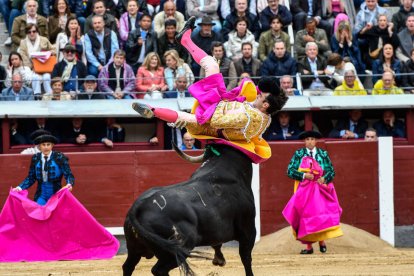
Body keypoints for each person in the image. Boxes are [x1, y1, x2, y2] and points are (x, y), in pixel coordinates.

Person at [133, 16, 288, 163]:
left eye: (261, 96)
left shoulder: (247, 117)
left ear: (266, 105)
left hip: (211, 116)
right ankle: (184, 40)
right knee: (210, 69)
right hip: (220, 109)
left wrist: (221, 101)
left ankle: (153, 110)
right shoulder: (264, 119)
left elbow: (216, 120)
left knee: (189, 116)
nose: (258, 95)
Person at [283, 130, 343, 254]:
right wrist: (304, 175)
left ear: (316, 141)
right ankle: (309, 247)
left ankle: (321, 241)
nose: (310, 141)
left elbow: (331, 171)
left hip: (320, 188)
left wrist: (324, 178)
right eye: (307, 139)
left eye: (312, 139)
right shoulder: (299, 154)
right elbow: (290, 171)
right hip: (304, 190)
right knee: (306, 216)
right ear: (304, 141)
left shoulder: (323, 154)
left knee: (320, 214)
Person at [12, 134, 75, 206]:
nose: (46, 147)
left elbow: (68, 174)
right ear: (39, 146)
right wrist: (19, 188)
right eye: (43, 145)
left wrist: (69, 184)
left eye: (48, 144)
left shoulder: (59, 157)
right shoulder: (35, 158)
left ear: (52, 145)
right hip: (41, 195)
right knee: (39, 213)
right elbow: (31, 178)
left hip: (56, 194)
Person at [18, 23, 55, 97]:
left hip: (45, 67)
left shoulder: (44, 40)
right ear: (26, 33)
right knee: (35, 77)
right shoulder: (23, 43)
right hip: (31, 68)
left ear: (37, 31)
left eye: (34, 31)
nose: (32, 33)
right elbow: (23, 57)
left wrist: (48, 53)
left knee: (47, 77)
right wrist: (34, 67)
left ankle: (50, 96)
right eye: (29, 32)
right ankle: (37, 96)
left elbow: (53, 49)